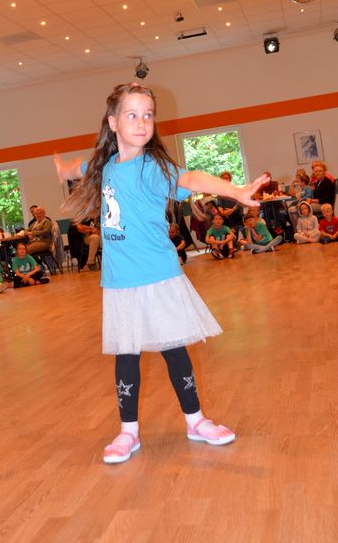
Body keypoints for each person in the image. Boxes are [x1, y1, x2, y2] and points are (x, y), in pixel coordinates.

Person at [53, 82, 266, 465]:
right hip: (120, 282)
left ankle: (196, 421)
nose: (141, 122)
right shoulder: (104, 166)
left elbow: (192, 178)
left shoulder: (154, 168)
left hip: (158, 275)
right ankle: (128, 432)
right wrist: (63, 168)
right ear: (113, 122)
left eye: (148, 115)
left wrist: (235, 191)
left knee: (174, 350)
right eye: (132, 115)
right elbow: (78, 167)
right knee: (126, 356)